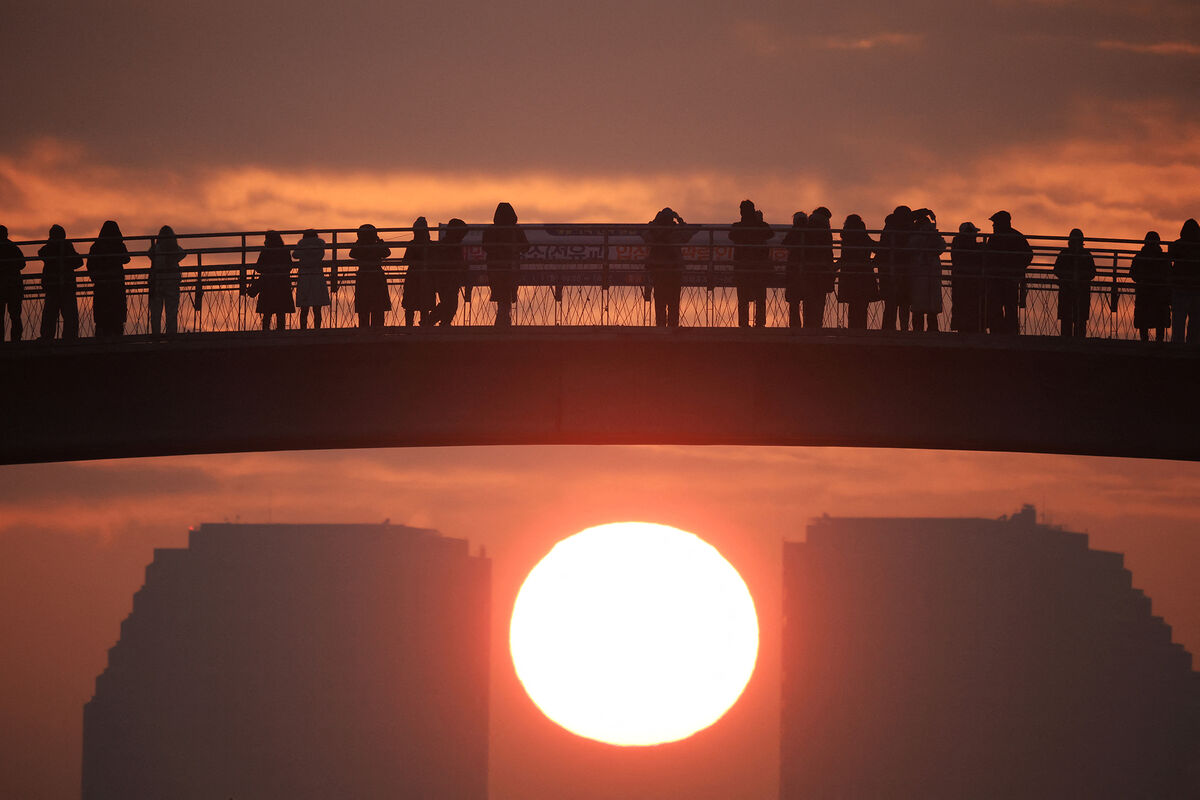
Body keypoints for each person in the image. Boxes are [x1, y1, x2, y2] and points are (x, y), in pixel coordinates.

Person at [641, 207, 696, 327]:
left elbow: (644, 234)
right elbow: (688, 234)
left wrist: (655, 222)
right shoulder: (676, 232)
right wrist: (680, 220)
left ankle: (660, 326)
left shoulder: (654, 233)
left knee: (660, 301)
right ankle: (673, 327)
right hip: (674, 271)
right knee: (673, 302)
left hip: (658, 270)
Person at [983, 210, 1032, 334]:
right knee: (1005, 308)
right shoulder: (1016, 236)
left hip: (1002, 279)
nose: (993, 226)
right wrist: (1018, 269)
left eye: (995, 223)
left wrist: (1016, 268)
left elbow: (1028, 255)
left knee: (1001, 308)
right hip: (1004, 279)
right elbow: (1028, 255)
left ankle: (999, 334)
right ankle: (1008, 334)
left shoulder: (997, 238)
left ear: (1002, 223)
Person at [481, 202, 529, 327]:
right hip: (511, 264)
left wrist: (498, 249)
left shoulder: (490, 230)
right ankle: (504, 317)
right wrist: (512, 248)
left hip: (494, 265)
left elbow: (485, 246)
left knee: (499, 290)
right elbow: (526, 247)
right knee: (508, 290)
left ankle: (502, 317)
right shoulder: (516, 229)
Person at [729, 200, 773, 327]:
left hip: (742, 265)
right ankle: (760, 323)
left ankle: (743, 323)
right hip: (758, 265)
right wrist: (759, 221)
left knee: (743, 297)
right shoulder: (760, 225)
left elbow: (731, 236)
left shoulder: (737, 226)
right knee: (760, 296)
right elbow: (770, 233)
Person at [38, 225, 84, 340]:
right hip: (67, 285)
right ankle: (70, 337)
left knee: (50, 314)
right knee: (69, 315)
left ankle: (47, 337)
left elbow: (41, 253)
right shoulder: (66, 247)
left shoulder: (49, 248)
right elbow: (78, 262)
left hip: (53, 286)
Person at [86, 220, 131, 337]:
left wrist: (95, 277)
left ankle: (101, 339)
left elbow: (90, 265)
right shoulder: (119, 244)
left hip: (101, 285)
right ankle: (117, 339)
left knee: (102, 316)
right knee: (117, 314)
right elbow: (126, 259)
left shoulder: (96, 246)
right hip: (117, 284)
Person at [835, 214, 877, 330]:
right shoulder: (863, 236)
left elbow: (844, 257)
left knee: (853, 305)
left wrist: (834, 268)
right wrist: (873, 262)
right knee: (862, 305)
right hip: (864, 274)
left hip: (849, 275)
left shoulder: (846, 237)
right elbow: (877, 248)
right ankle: (861, 329)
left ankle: (852, 328)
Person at [1052, 228, 1096, 338]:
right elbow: (1092, 273)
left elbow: (1056, 270)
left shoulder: (1064, 253)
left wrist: (1066, 278)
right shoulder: (1086, 255)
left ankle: (1067, 342)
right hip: (1080, 290)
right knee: (1079, 320)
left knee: (1071, 320)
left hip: (1067, 289)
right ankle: (1079, 342)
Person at [1130, 231, 1171, 343]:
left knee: (1143, 318)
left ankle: (1144, 341)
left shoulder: (1139, 256)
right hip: (1160, 293)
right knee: (1160, 318)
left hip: (1143, 291)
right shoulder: (1163, 257)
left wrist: (1141, 280)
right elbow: (1169, 274)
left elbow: (1132, 274)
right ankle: (1159, 342)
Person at [348, 224, 392, 328]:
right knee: (378, 307)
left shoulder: (360, 247)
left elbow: (352, 253)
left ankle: (363, 331)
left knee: (364, 308)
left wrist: (358, 242)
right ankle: (378, 331)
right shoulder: (376, 246)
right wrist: (380, 241)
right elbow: (387, 252)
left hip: (363, 276)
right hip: (377, 276)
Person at [908, 209, 945, 332]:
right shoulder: (933, 235)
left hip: (920, 270)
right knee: (930, 305)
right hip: (930, 270)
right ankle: (932, 329)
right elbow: (941, 247)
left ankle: (918, 330)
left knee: (919, 304)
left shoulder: (915, 236)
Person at [878, 205, 914, 331]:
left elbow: (882, 247)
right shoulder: (907, 228)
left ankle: (888, 328)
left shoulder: (890, 226)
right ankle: (904, 328)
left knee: (891, 302)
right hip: (905, 268)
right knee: (904, 301)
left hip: (890, 269)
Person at [147, 225, 186, 336]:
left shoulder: (156, 249)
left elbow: (149, 254)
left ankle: (156, 337)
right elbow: (183, 253)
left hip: (157, 283)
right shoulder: (175, 250)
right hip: (172, 282)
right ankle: (171, 337)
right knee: (172, 313)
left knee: (155, 313)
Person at [799, 207, 835, 329]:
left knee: (808, 299)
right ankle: (817, 325)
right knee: (819, 299)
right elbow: (828, 251)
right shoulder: (825, 230)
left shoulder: (807, 228)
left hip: (808, 269)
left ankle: (807, 325)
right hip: (822, 269)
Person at [429, 218, 469, 326]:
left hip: (449, 278)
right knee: (450, 303)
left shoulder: (449, 244)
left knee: (449, 303)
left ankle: (440, 321)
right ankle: (433, 321)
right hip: (447, 278)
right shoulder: (448, 245)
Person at [253, 230, 294, 331]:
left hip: (268, 284)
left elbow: (258, 268)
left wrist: (269, 270)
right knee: (281, 311)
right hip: (282, 283)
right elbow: (289, 266)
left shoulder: (266, 251)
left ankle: (265, 332)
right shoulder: (285, 250)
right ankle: (281, 331)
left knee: (267, 311)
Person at [950, 222, 985, 333]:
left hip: (959, 280)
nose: (976, 236)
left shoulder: (956, 243)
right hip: (973, 281)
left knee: (960, 305)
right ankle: (975, 328)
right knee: (972, 306)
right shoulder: (974, 247)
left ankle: (962, 328)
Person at [1169, 218, 1200, 344]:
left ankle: (1177, 344)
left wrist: (1171, 278)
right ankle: (1192, 344)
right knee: (1196, 320)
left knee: (1178, 320)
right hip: (1197, 287)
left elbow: (1168, 262)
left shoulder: (1177, 245)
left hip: (1179, 286)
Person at [292, 228, 330, 330]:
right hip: (317, 275)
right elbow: (321, 255)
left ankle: (303, 329)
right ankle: (317, 328)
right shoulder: (320, 244)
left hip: (304, 275)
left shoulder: (301, 244)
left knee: (304, 308)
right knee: (317, 308)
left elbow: (295, 255)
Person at [401, 217, 435, 327]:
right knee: (423, 306)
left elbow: (405, 260)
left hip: (413, 276)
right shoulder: (431, 245)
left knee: (410, 306)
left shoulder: (413, 244)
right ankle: (424, 327)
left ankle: (409, 327)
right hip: (426, 277)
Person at [782, 211, 808, 327]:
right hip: (808, 269)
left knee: (794, 300)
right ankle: (810, 325)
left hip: (793, 268)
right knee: (808, 299)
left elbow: (785, 244)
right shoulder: (811, 232)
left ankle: (795, 325)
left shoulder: (793, 232)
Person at [0, 225, 26, 342]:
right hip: (14, 285)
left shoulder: (12, 247)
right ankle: (16, 340)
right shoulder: (13, 247)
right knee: (15, 316)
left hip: (5, 286)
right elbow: (22, 264)